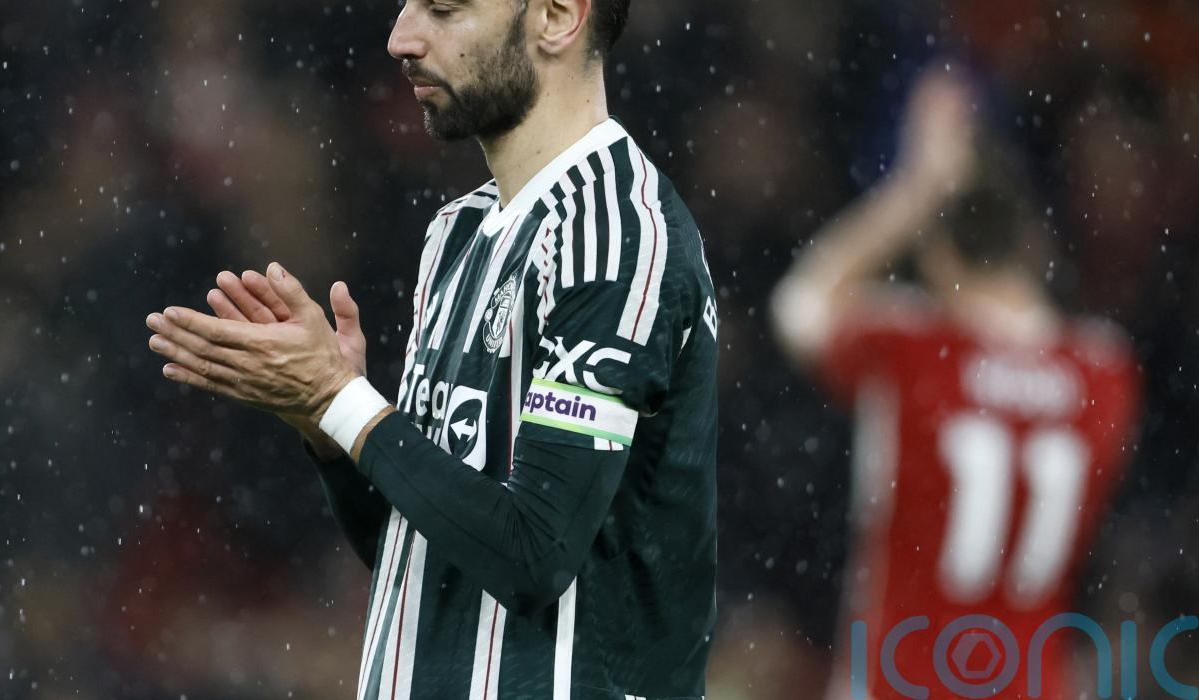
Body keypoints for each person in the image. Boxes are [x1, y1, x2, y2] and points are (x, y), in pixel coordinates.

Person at [145, 0, 719, 698]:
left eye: (444, 8)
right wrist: (327, 425)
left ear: (556, 17)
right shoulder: (458, 232)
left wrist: (342, 399)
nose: (401, 38)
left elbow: (533, 554)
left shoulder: (614, 238)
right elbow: (423, 556)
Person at [770, 70, 1141, 700]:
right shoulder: (1105, 371)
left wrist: (917, 188)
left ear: (937, 257)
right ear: (1032, 246)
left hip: (900, 680)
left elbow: (799, 305)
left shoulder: (911, 349)